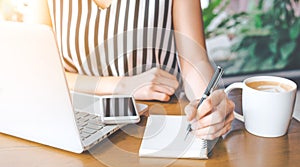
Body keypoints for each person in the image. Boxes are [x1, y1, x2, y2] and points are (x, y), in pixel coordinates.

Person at [23, 0, 235, 140]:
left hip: (152, 130)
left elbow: (195, 61)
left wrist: (208, 103)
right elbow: (37, 69)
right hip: (70, 123)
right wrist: (121, 85)